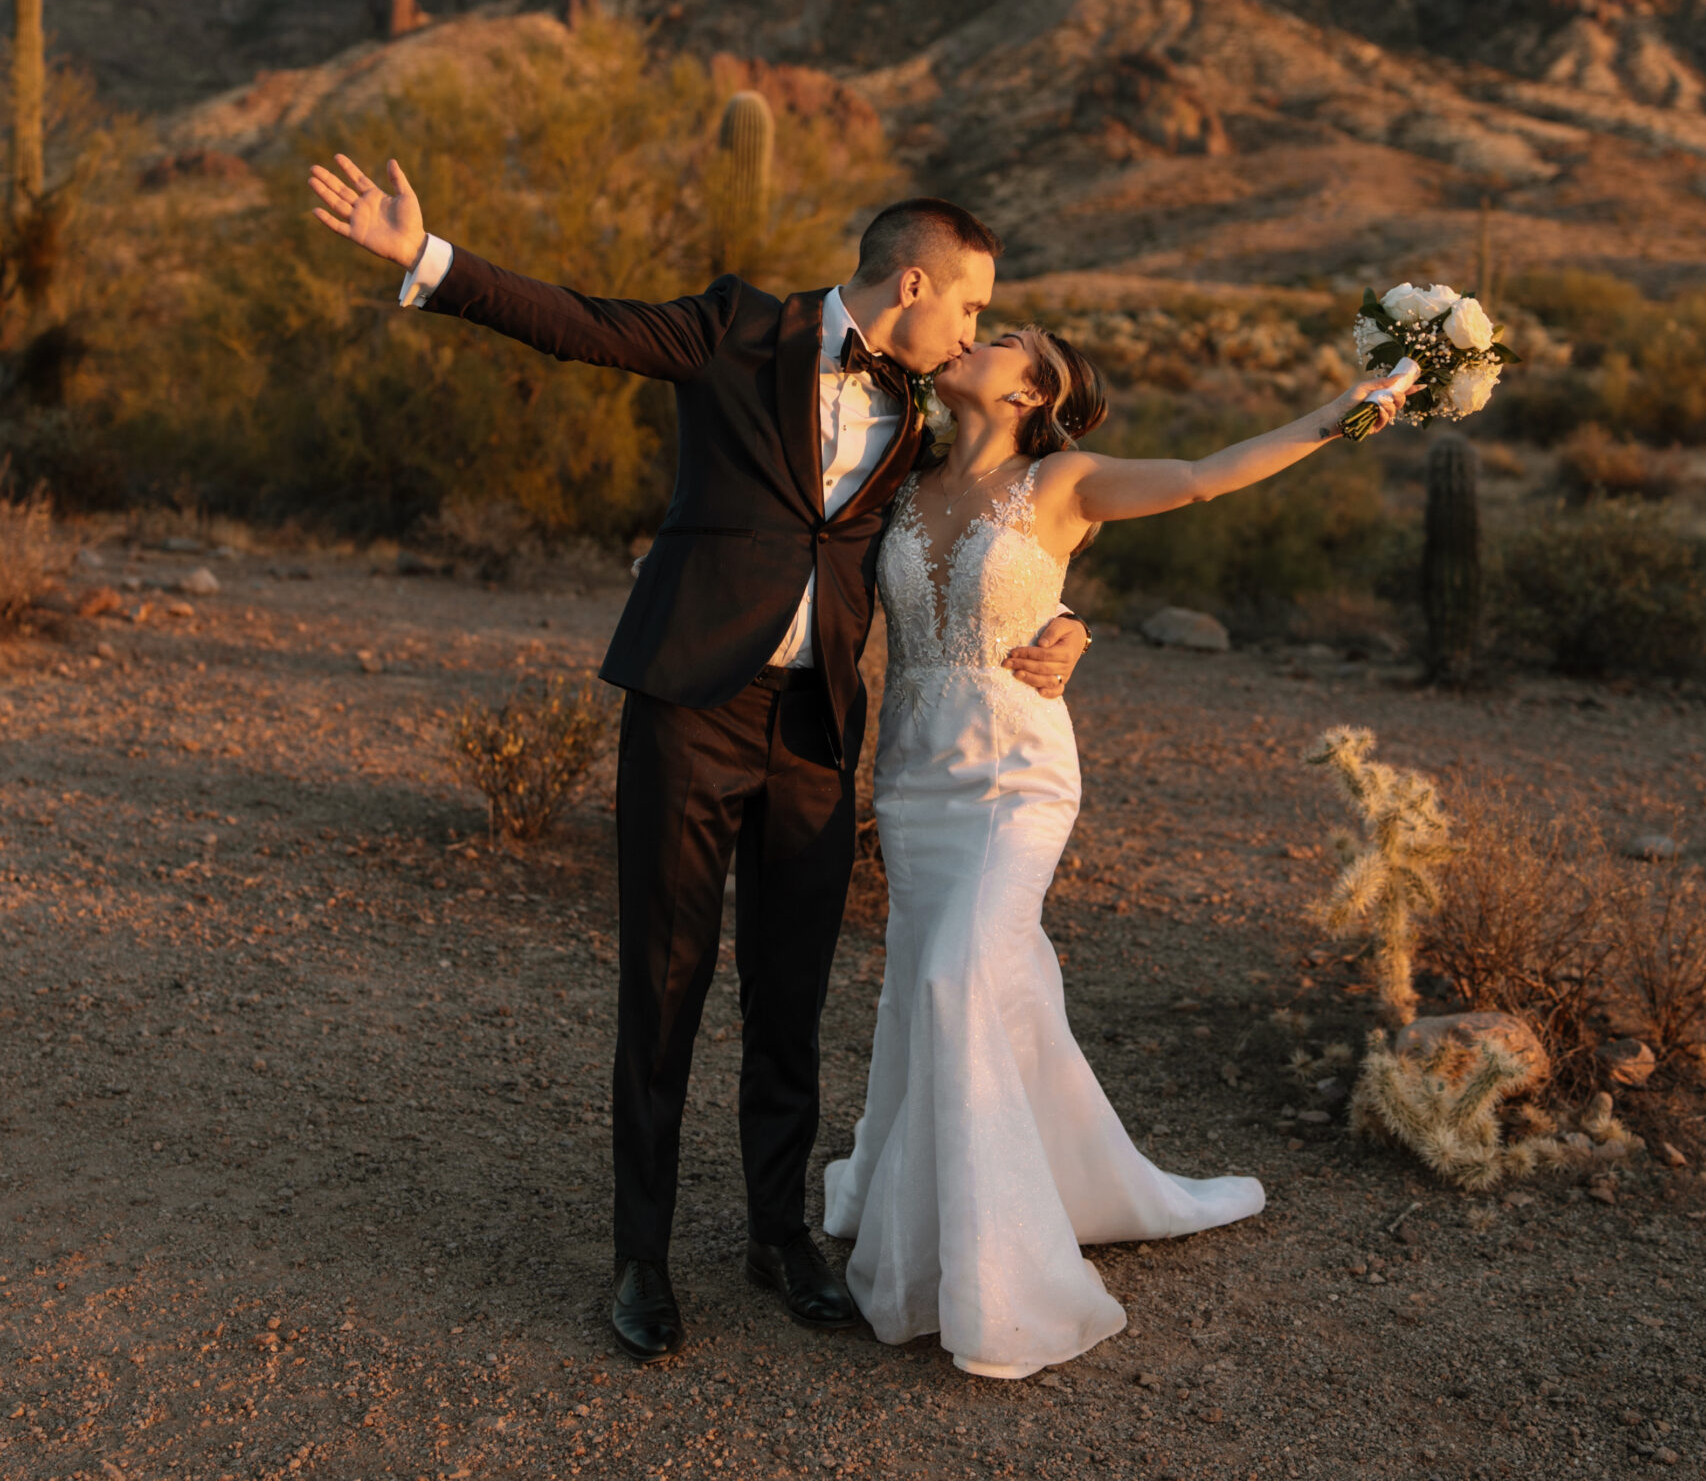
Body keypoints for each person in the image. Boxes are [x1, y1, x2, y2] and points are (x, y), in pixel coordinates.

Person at [305, 154, 1084, 1362]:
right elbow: (583, 325)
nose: (976, 326)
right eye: (972, 305)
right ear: (915, 280)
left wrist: (1068, 625)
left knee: (790, 994)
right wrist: (427, 257)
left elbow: (1004, 527)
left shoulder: (927, 417)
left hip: (815, 729)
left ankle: (779, 1239)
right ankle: (641, 1255)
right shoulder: (736, 329)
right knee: (663, 984)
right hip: (687, 706)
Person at [824, 324, 1406, 1379]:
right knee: (936, 981)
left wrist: (1339, 411)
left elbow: (1201, 475)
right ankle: (977, 1193)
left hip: (1014, 778)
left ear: (1031, 390)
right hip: (910, 779)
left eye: (1003, 339)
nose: (976, 338)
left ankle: (1003, 1274)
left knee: (960, 974)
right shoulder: (896, 468)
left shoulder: (1066, 480)